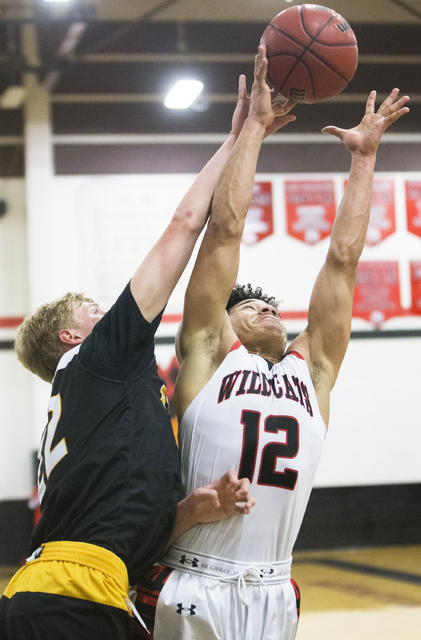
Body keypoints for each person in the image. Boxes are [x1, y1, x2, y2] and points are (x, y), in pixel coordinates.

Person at [133, 45, 410, 640]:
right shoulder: (209, 356)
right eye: (248, 305)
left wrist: (364, 162)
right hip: (192, 581)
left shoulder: (313, 373)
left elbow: (343, 261)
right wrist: (255, 127)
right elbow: (225, 226)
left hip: (276, 586)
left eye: (272, 304)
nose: (267, 307)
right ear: (222, 322)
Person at [0, 83, 258, 640]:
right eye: (92, 308)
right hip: (74, 598)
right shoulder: (99, 359)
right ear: (72, 335)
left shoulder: (99, 404)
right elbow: (184, 225)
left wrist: (191, 510)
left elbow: (125, 515)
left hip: (70, 590)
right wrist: (235, 139)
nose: (107, 308)